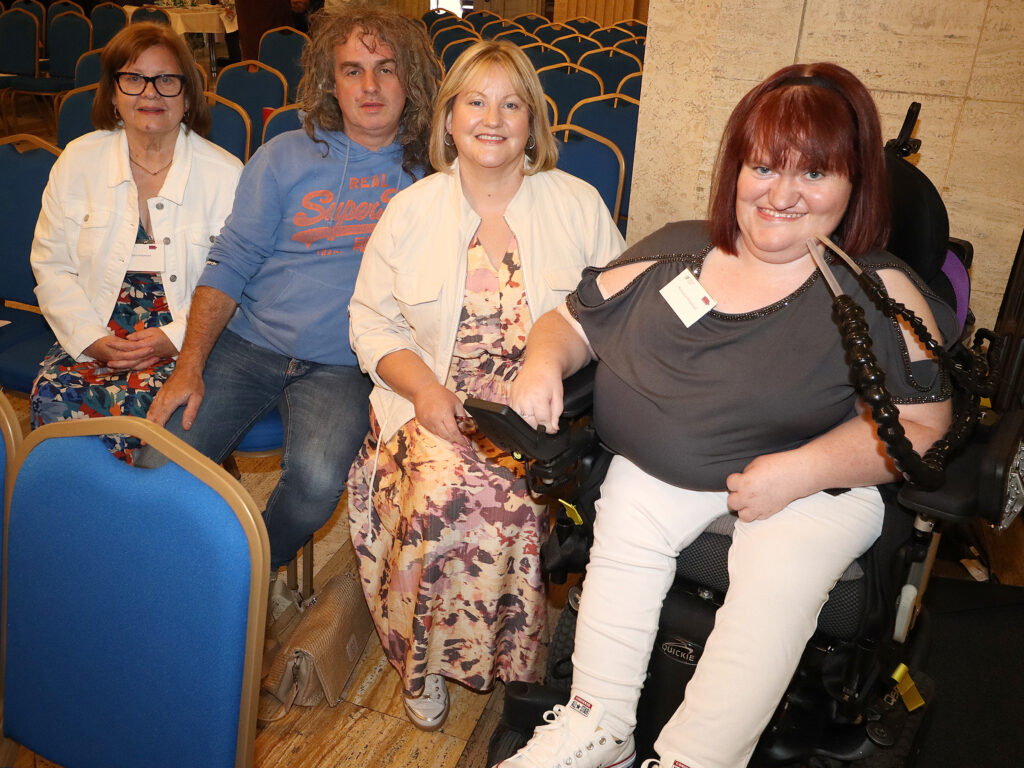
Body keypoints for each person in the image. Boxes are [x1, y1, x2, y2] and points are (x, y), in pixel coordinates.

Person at [500, 62, 957, 768]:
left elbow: (922, 426)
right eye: (765, 167)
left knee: (779, 566)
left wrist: (802, 468)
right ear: (735, 170)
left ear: (853, 183)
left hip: (813, 488)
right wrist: (541, 363)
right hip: (662, 472)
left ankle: (694, 758)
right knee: (626, 505)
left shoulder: (877, 289)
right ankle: (598, 724)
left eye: (813, 174)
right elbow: (569, 322)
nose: (780, 194)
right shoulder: (677, 248)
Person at [347, 40, 625, 732]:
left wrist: (559, 373)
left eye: (511, 103)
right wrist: (424, 394)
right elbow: (370, 321)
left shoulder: (576, 203)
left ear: (533, 121)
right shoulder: (410, 211)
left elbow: (619, 310)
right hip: (434, 397)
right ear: (448, 120)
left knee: (521, 500)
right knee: (439, 494)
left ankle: (511, 664)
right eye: (475, 101)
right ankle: (426, 665)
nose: (492, 118)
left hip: (539, 407)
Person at [139, 7, 440, 570]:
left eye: (385, 68)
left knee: (317, 483)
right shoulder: (284, 155)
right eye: (352, 70)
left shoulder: (435, 174)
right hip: (248, 344)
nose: (369, 86)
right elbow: (230, 262)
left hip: (345, 362)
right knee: (160, 459)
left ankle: (244, 577)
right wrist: (189, 364)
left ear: (411, 79)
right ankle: (163, 574)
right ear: (331, 82)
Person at [29, 22, 243, 461]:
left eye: (166, 80)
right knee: (54, 399)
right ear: (112, 93)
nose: (150, 93)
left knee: (158, 418)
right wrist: (90, 338)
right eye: (133, 79)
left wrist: (175, 338)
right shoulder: (78, 161)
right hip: (94, 325)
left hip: (186, 336)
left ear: (187, 96)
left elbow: (238, 284)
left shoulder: (226, 175)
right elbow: (51, 267)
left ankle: (152, 518)